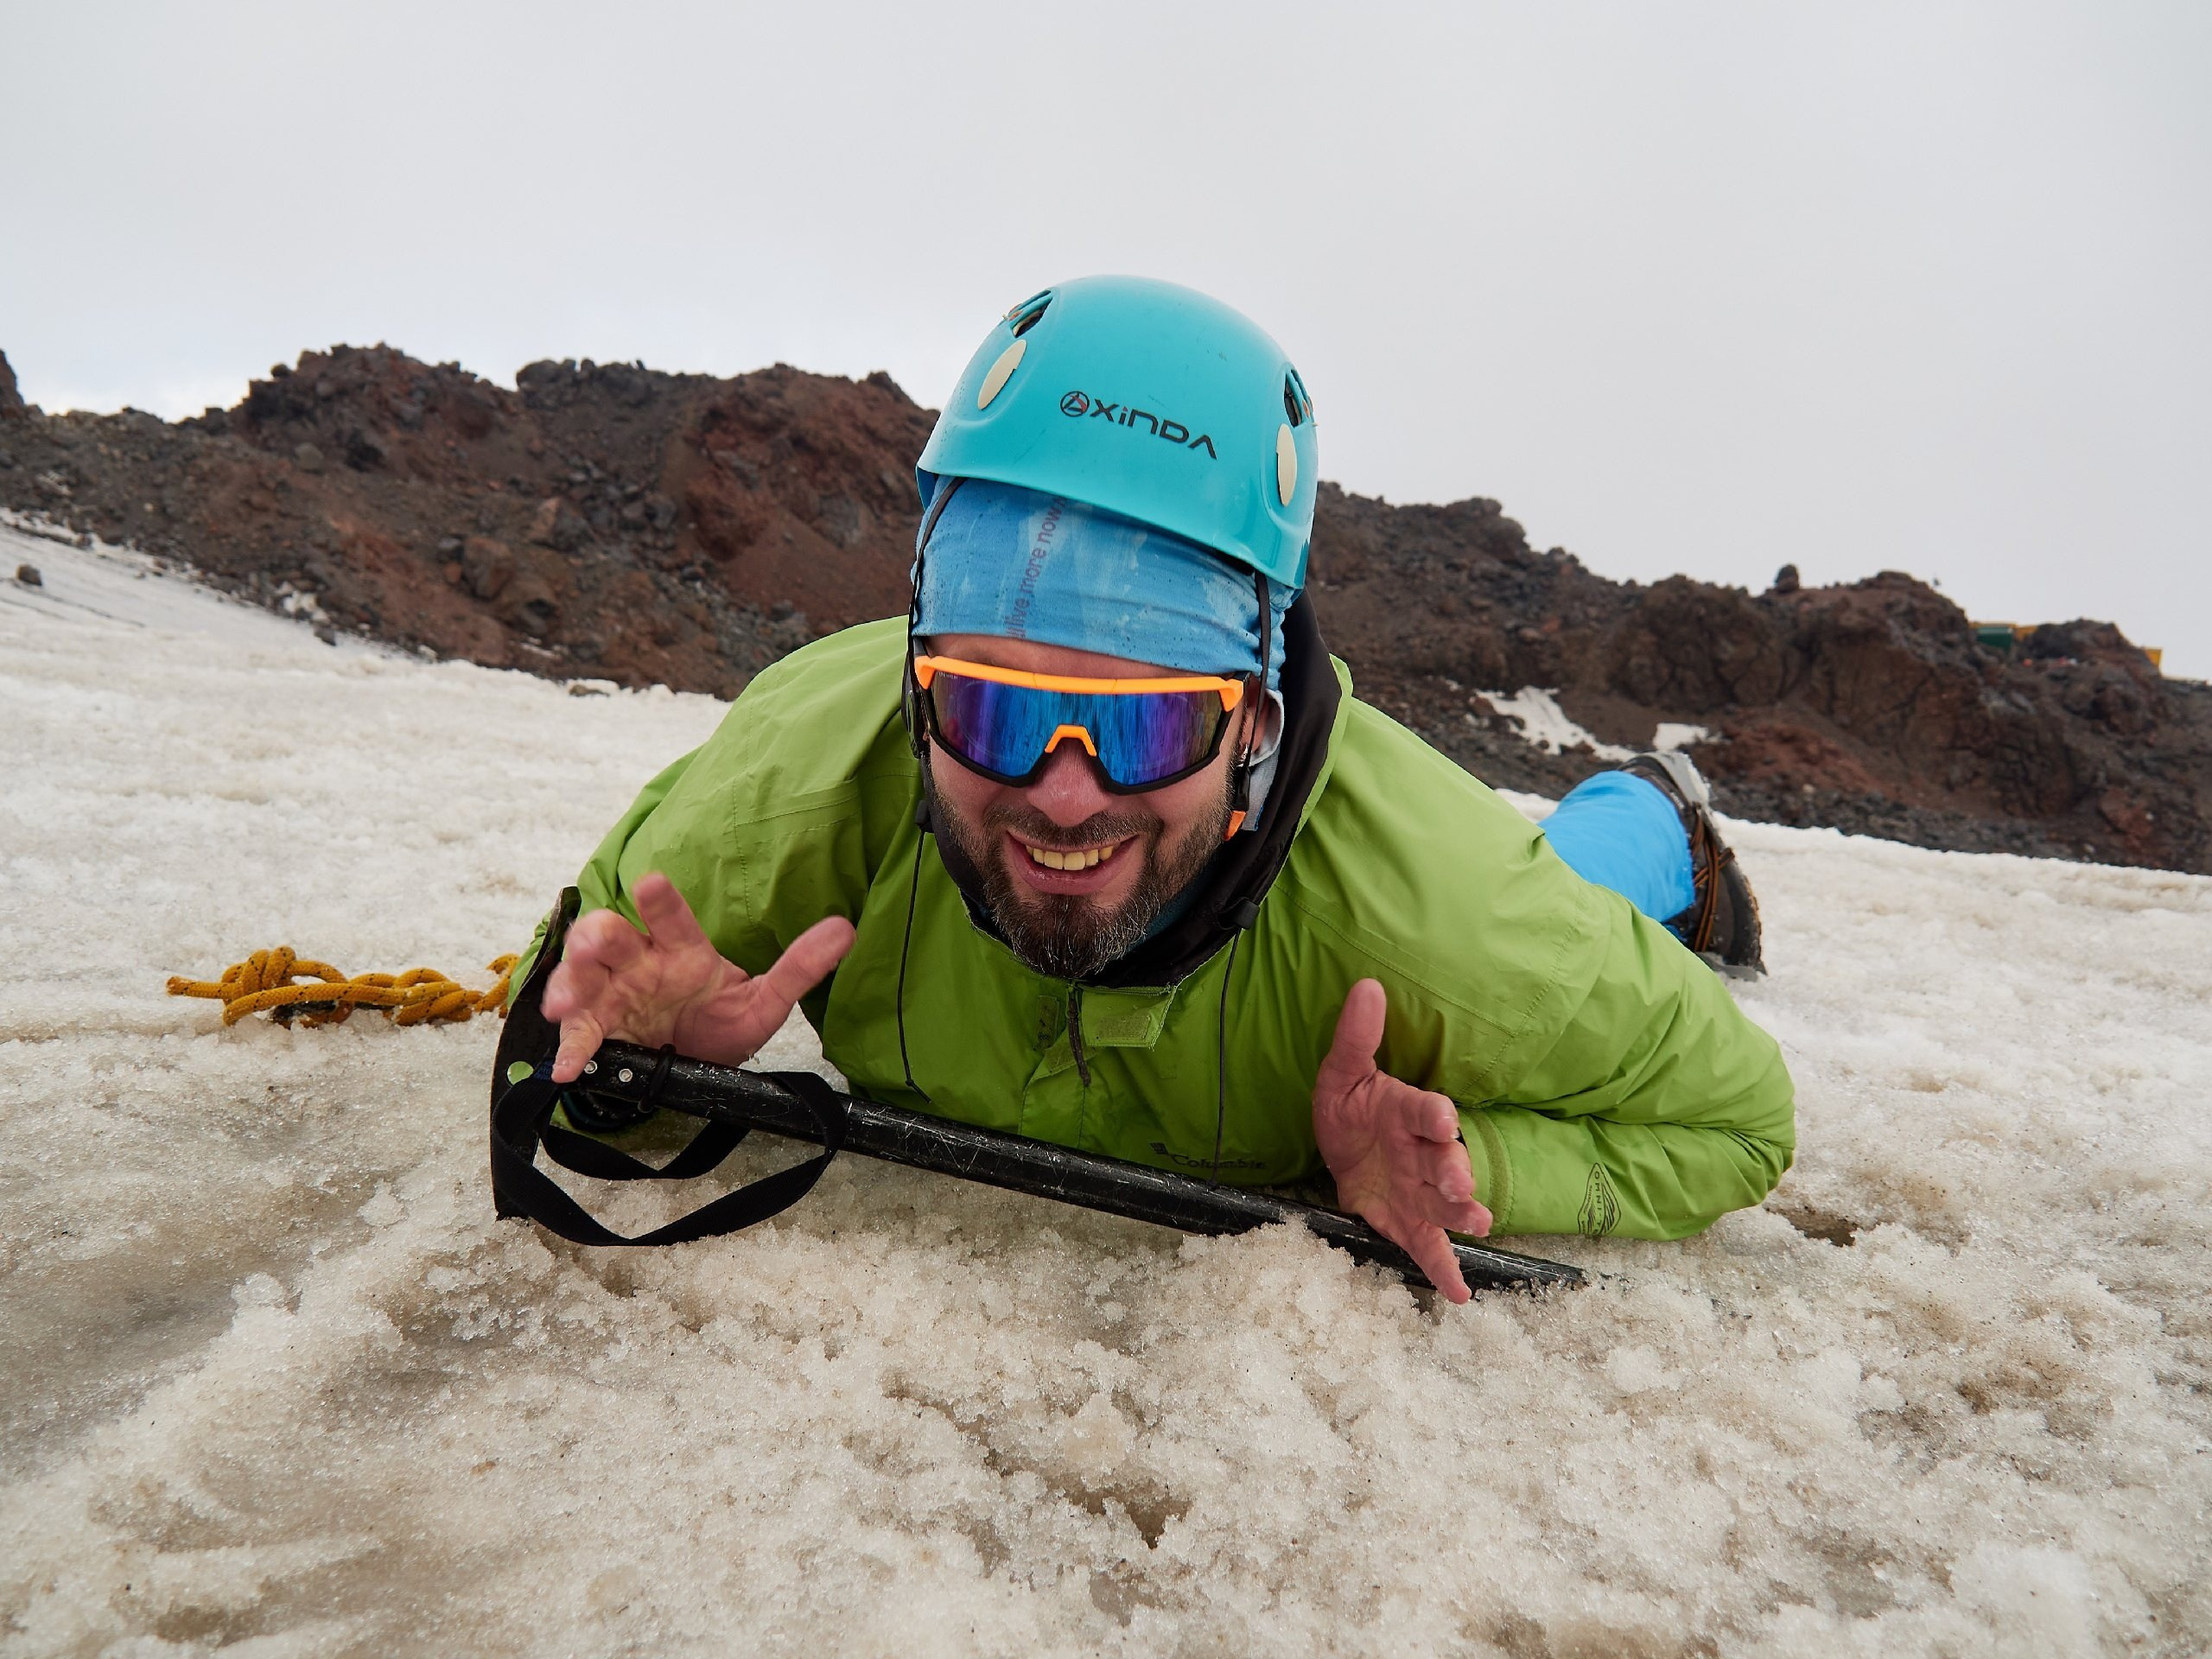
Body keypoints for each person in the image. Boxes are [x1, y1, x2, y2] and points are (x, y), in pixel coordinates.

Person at [512, 276, 1792, 1302]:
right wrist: (637, 1058)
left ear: (1255, 726)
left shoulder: (1446, 925)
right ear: (916, 690)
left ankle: (1649, 804)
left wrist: (1483, 1160)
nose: (1065, 800)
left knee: (1591, 864)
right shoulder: (799, 779)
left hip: (1473, 882)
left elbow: (1742, 1125)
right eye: (995, 710)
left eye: (1150, 726)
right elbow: (563, 1001)